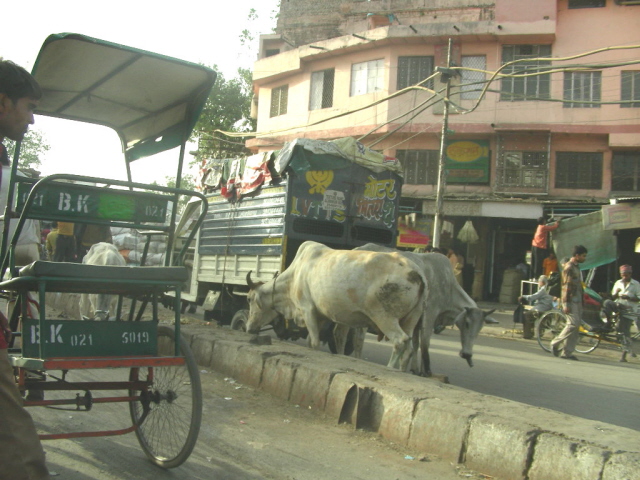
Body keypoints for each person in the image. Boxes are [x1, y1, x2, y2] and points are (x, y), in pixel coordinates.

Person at [0, 59, 51, 479]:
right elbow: (25, 251)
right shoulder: (8, 177)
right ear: (3, 102)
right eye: (29, 107)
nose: (32, 119)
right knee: (15, 441)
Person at [550, 245, 588, 361]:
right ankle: (555, 342)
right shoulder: (569, 268)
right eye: (583, 256)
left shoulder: (577, 268)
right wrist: (566, 304)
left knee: (576, 328)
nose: (584, 258)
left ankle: (567, 352)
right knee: (572, 324)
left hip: (578, 301)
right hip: (570, 301)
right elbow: (566, 287)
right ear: (577, 256)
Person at [601, 265, 639, 362]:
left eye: (626, 275)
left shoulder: (636, 284)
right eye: (622, 275)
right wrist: (616, 293)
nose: (624, 277)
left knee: (624, 332)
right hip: (618, 308)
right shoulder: (618, 283)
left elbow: (639, 298)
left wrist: (629, 298)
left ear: (630, 274)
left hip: (628, 311)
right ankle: (608, 322)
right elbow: (613, 298)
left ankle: (624, 355)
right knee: (607, 302)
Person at [518, 275, 555, 339]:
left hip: (542, 308)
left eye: (539, 281)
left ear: (542, 282)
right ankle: (536, 332)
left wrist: (523, 296)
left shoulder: (544, 289)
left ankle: (528, 334)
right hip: (548, 307)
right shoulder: (550, 288)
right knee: (531, 313)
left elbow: (533, 297)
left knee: (527, 315)